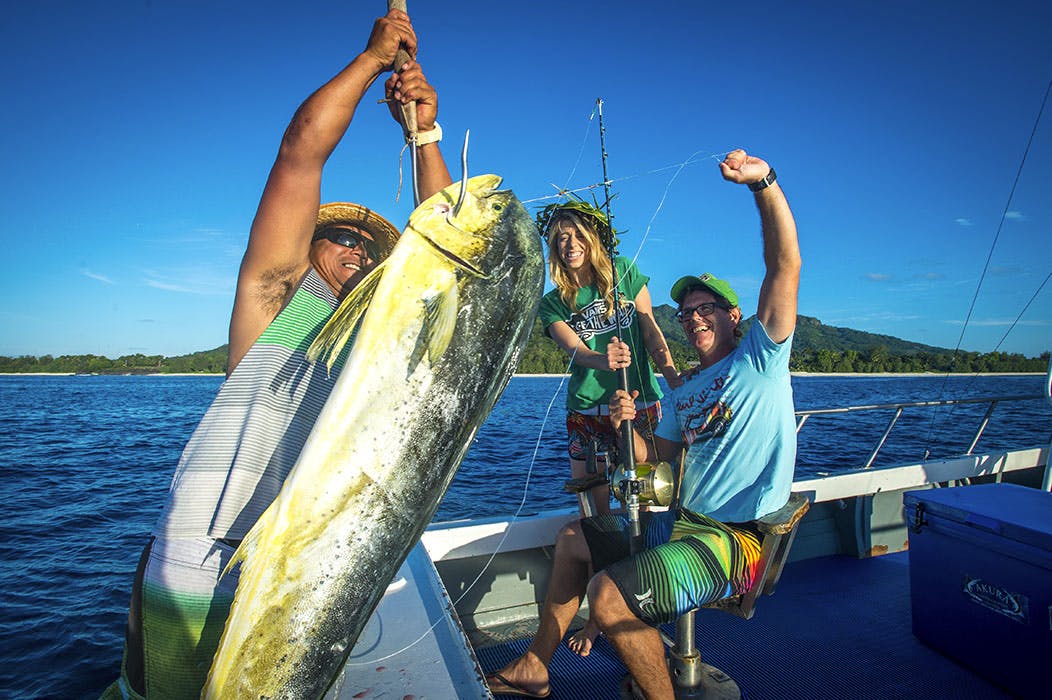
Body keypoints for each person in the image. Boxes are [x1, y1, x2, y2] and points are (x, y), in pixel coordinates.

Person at [101, 10, 452, 699]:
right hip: (207, 558)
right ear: (309, 245)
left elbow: (450, 251)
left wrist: (425, 134)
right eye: (342, 236)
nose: (358, 249)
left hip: (311, 570)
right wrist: (372, 60)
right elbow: (300, 153)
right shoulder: (278, 302)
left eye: (371, 248)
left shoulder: (380, 339)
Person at [486, 149, 800, 700]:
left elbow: (784, 266)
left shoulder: (760, 358)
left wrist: (763, 184)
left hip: (735, 540)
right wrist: (623, 422)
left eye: (707, 307)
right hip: (682, 523)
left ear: (735, 316)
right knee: (573, 539)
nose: (694, 316)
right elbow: (654, 461)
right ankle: (536, 667)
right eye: (687, 312)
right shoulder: (681, 395)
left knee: (608, 597)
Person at [539, 201, 680, 519]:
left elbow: (651, 330)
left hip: (638, 402)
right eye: (562, 238)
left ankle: (643, 550)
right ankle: (600, 546)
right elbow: (575, 348)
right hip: (586, 411)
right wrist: (603, 360)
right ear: (554, 247)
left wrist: (673, 378)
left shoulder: (625, 271)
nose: (571, 244)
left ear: (593, 238)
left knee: (645, 497)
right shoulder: (552, 303)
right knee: (593, 509)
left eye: (578, 235)